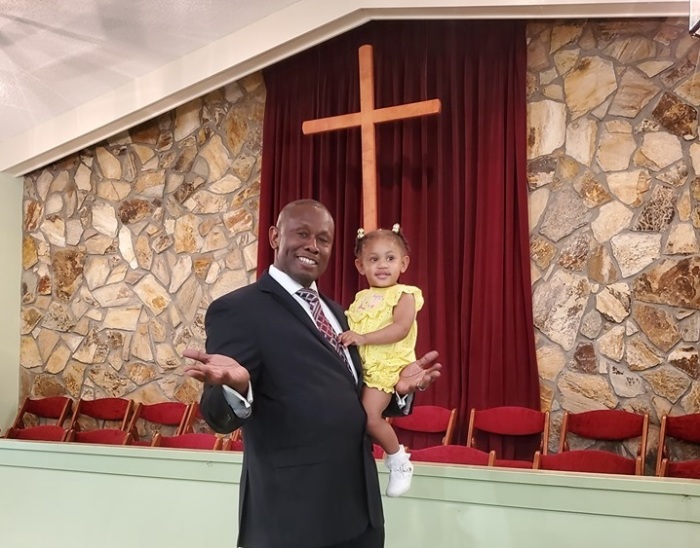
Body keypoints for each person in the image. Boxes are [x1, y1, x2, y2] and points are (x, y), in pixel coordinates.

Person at [183, 199, 441, 548]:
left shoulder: (340, 313)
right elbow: (217, 416)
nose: (312, 245)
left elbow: (345, 398)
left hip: (360, 515)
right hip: (293, 522)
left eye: (323, 239)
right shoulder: (239, 310)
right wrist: (238, 389)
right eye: (302, 233)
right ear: (275, 236)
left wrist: (399, 391)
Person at [340, 224, 422, 498]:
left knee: (370, 416)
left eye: (390, 258)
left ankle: (398, 459)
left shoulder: (405, 294)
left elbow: (400, 328)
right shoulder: (361, 298)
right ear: (360, 266)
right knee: (352, 418)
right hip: (359, 369)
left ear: (404, 263)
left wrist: (362, 337)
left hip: (386, 366)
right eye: (373, 259)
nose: (382, 265)